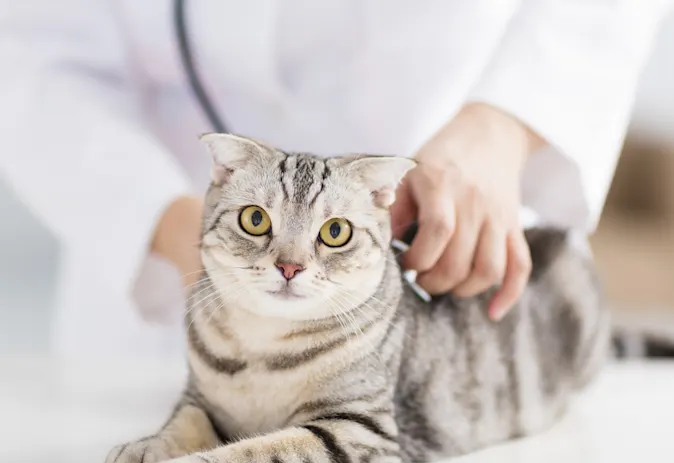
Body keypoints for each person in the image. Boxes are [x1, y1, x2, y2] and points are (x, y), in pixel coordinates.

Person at [0, 0, 671, 355]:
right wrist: (187, 238)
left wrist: (503, 124)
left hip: (447, 249)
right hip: (151, 317)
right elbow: (29, 55)